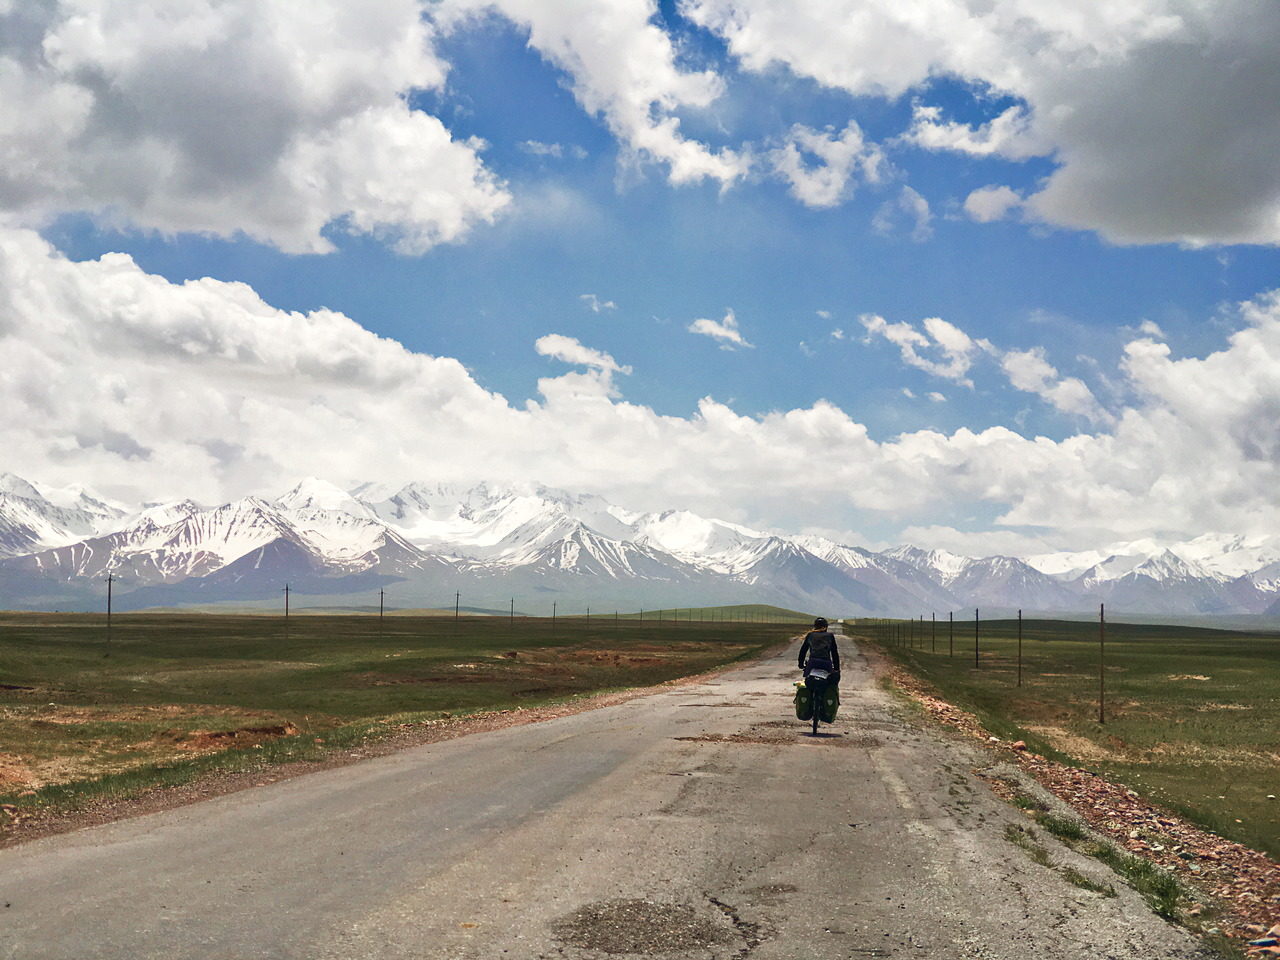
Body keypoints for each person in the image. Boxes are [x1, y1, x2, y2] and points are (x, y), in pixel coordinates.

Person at [798, 617, 840, 683]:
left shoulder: (810, 635)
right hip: (826, 663)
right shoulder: (830, 636)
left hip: (812, 663)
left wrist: (801, 664)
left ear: (815, 626)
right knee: (831, 682)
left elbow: (803, 651)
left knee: (807, 680)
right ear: (826, 627)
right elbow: (834, 653)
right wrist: (836, 668)